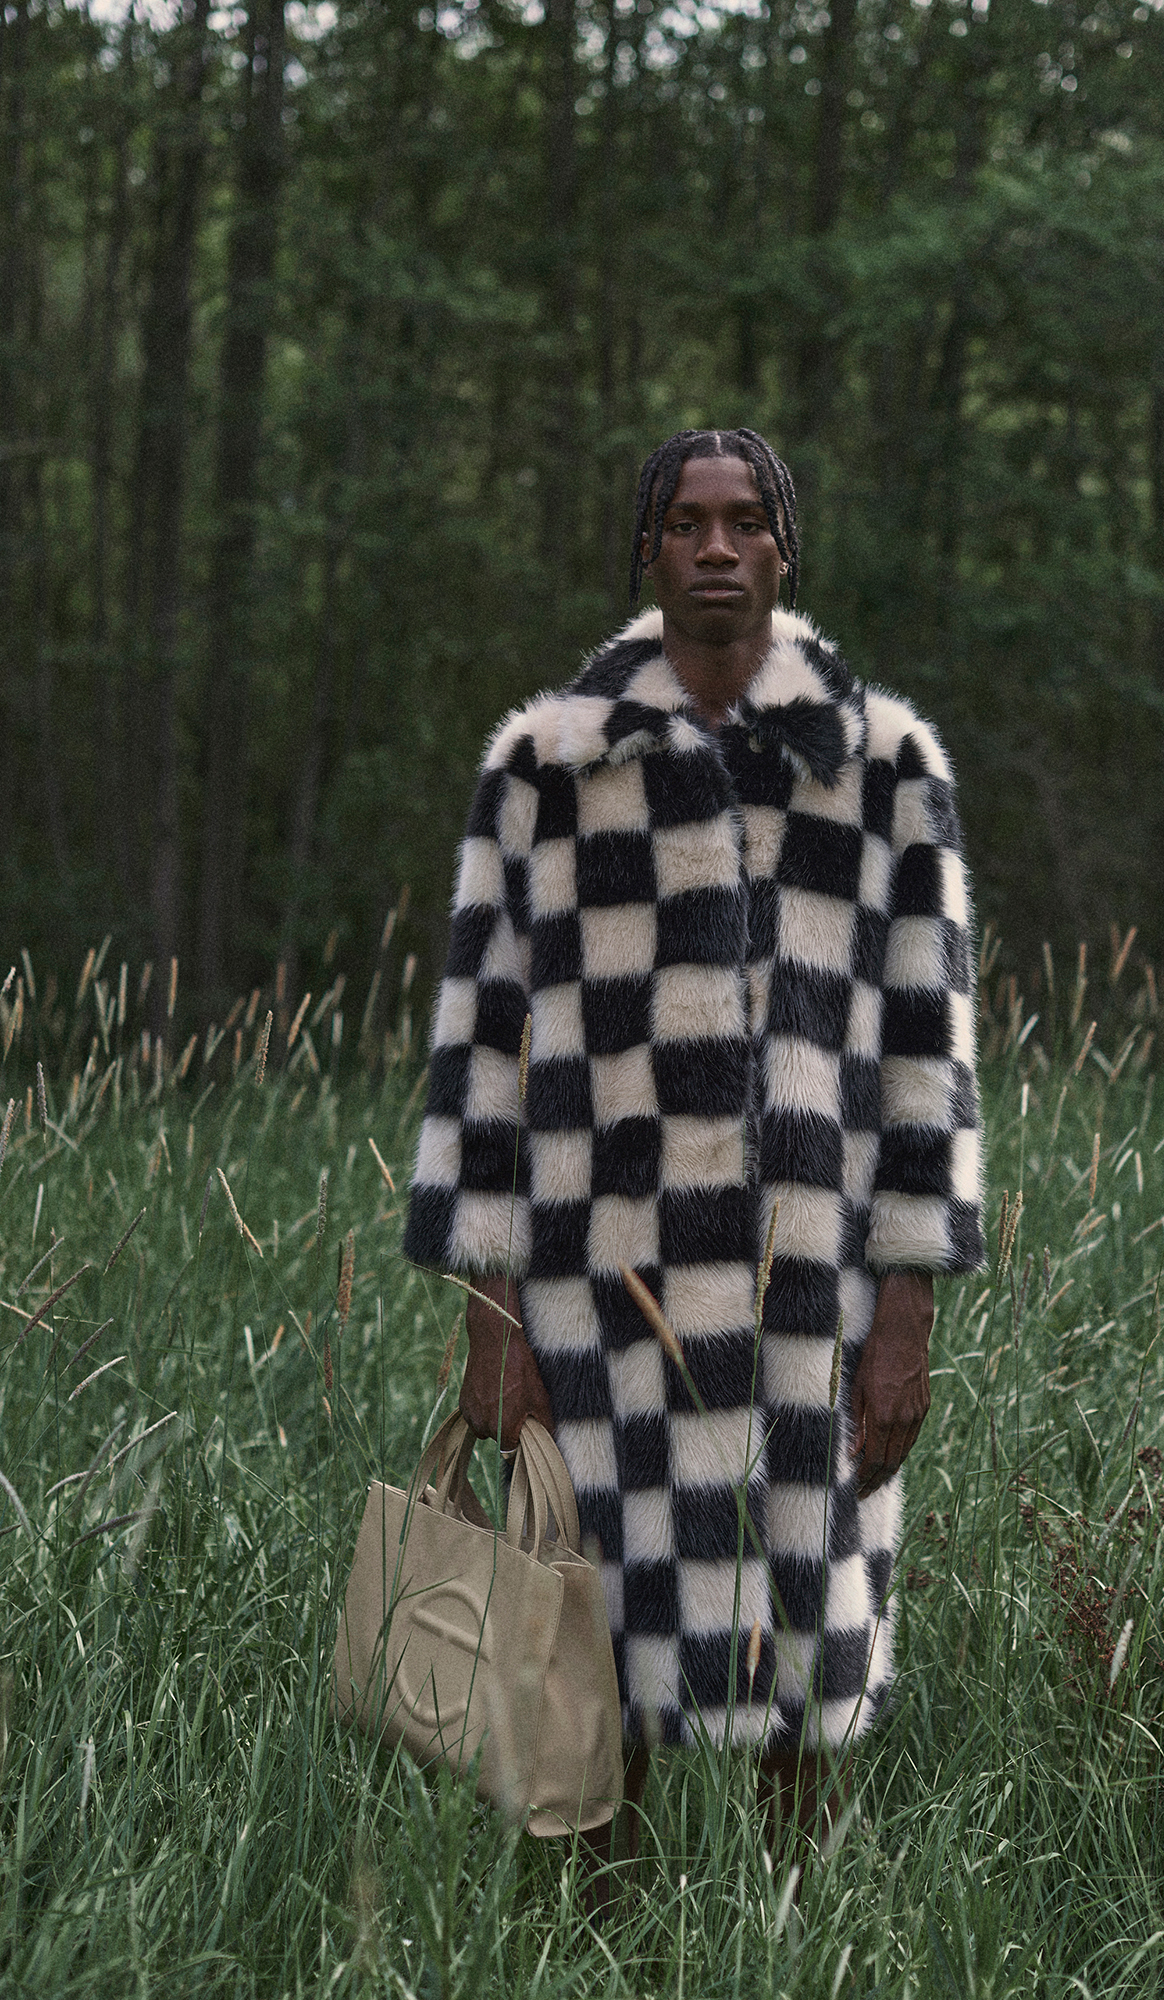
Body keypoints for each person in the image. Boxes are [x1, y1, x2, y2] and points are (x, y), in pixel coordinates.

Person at [403, 427, 984, 1874]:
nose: (715, 547)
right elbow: (485, 1058)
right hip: (603, 1286)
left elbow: (926, 1055)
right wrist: (492, 1318)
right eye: (684, 522)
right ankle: (603, 1940)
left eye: (743, 522)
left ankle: (795, 1932)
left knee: (809, 1639)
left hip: (817, 1296)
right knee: (599, 1632)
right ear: (646, 549)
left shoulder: (884, 764)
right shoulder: (549, 764)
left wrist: (905, 1310)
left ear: (786, 547)